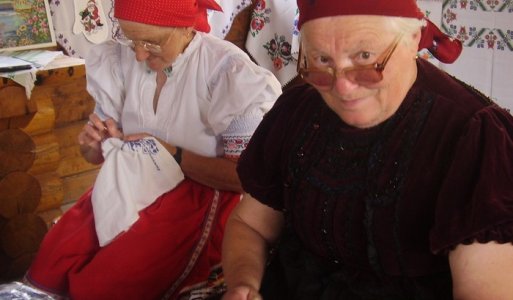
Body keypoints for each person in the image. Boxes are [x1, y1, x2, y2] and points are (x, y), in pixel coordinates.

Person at [221, 0, 513, 299]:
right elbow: (250, 225)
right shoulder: (298, 108)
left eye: (365, 57)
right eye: (322, 61)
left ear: (413, 39)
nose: (343, 87)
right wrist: (245, 283)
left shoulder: (471, 136)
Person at [8, 0, 281, 299]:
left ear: (186, 26)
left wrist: (172, 154)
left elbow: (244, 178)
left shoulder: (226, 72)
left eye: (152, 42)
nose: (138, 54)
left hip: (198, 198)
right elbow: (98, 154)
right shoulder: (120, 60)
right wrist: (95, 146)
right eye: (131, 39)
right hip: (132, 188)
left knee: (109, 280)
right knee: (56, 254)